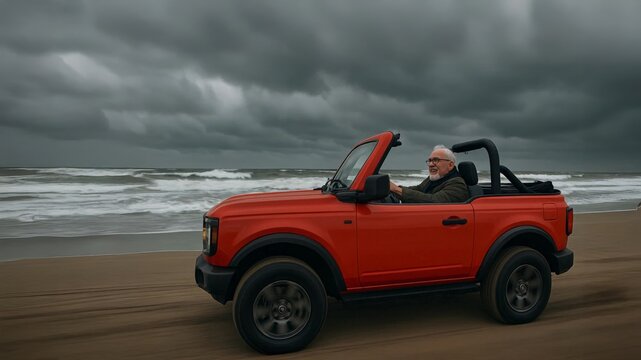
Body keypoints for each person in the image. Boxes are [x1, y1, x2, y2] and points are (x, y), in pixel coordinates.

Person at [389, 145, 469, 203]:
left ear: (450, 165)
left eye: (436, 160)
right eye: (429, 161)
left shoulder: (457, 184)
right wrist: (393, 188)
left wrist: (397, 190)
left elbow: (434, 201)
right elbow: (418, 189)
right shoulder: (435, 178)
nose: (431, 164)